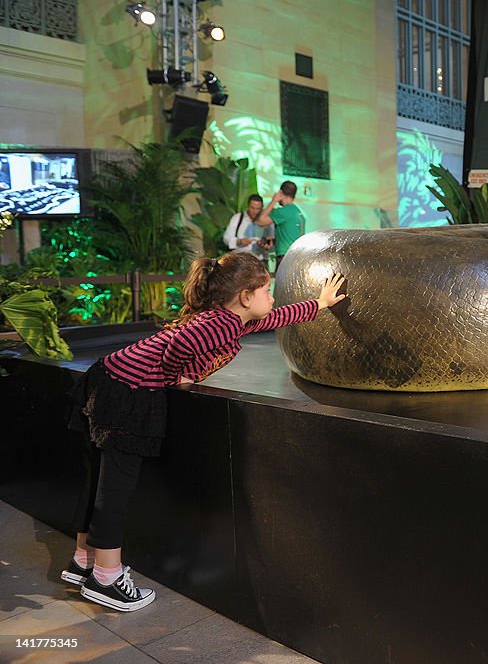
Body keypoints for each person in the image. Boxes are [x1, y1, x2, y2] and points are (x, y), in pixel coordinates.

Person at [64, 252, 346, 611]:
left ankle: (83, 561)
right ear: (245, 296)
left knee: (101, 483)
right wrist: (182, 372)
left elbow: (277, 316)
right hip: (128, 392)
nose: (272, 298)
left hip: (112, 380)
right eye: (266, 290)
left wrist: (319, 303)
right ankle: (106, 578)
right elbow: (180, 347)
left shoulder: (232, 320)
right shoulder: (222, 324)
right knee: (115, 489)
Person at [254, 181, 305, 263]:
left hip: (285, 255)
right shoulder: (300, 212)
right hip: (298, 255)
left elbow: (260, 221)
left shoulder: (283, 211)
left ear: (281, 193)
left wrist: (273, 201)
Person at [223, 194, 274, 265]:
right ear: (248, 206)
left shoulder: (267, 222)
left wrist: (266, 244)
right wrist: (239, 241)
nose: (255, 211)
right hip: (239, 260)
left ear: (262, 208)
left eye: (258, 209)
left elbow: (272, 242)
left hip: (259, 261)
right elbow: (226, 238)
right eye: (252, 208)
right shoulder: (238, 218)